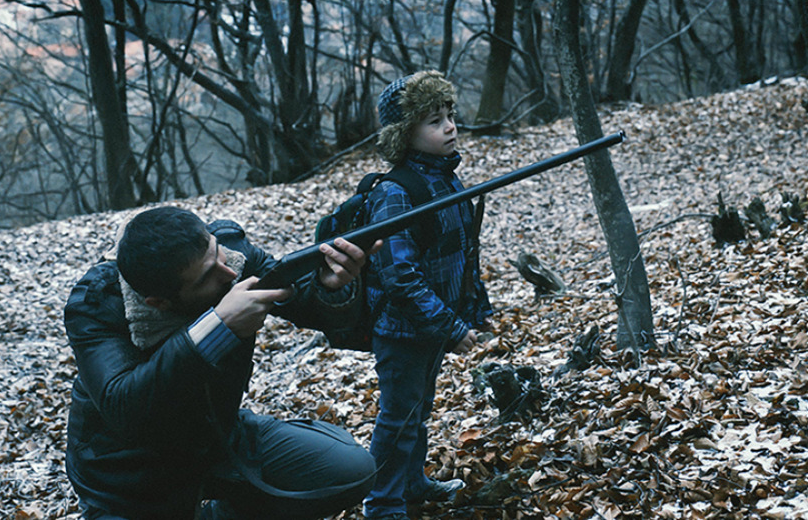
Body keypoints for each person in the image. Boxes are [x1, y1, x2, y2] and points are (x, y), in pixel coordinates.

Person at [62, 205, 379, 519]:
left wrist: (329, 284)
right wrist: (216, 328)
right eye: (207, 277)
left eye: (218, 253)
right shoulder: (96, 302)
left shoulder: (232, 254)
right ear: (158, 302)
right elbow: (126, 406)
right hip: (124, 469)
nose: (229, 273)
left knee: (351, 471)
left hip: (214, 433)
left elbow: (307, 305)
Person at [362, 71, 493, 519]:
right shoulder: (397, 193)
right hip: (402, 331)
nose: (450, 126)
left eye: (450, 115)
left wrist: (474, 308)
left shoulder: (446, 179)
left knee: (417, 411)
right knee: (397, 417)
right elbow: (401, 277)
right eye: (435, 120)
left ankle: (412, 483)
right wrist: (450, 327)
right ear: (405, 135)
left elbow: (461, 252)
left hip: (431, 325)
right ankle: (382, 504)